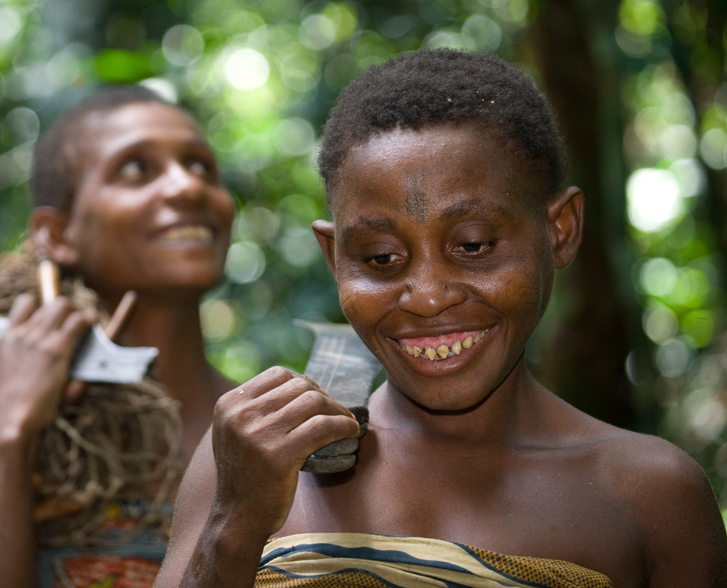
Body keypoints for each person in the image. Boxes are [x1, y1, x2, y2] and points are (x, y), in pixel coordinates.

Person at [154, 50, 727, 588]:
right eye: (380, 258)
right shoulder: (254, 465)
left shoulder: (651, 495)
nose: (427, 297)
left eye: (474, 245)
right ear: (335, 259)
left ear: (560, 231)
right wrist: (233, 525)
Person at [0, 86, 236, 588]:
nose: (187, 187)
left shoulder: (265, 421)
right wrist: (12, 429)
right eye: (135, 169)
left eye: (201, 166)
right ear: (56, 235)